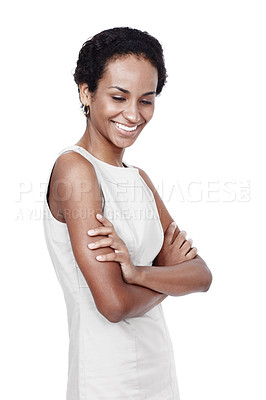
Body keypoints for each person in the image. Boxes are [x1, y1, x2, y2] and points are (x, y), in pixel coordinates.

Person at [43, 27, 212, 400]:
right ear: (87, 92)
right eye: (119, 96)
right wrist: (168, 274)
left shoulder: (139, 179)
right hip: (107, 378)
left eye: (146, 100)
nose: (133, 114)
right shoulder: (76, 170)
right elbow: (114, 305)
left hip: (158, 370)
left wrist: (137, 273)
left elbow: (202, 275)